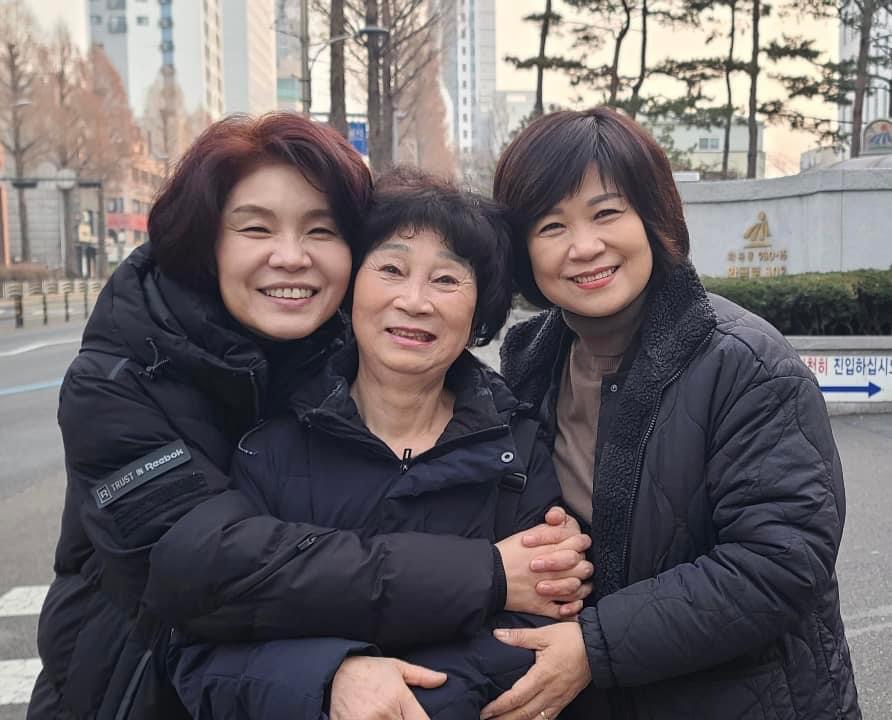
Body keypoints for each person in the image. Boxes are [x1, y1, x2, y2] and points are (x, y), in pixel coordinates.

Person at [29, 114, 591, 720]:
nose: (291, 257)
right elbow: (201, 568)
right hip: (123, 690)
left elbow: (538, 622)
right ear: (207, 239)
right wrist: (484, 576)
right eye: (255, 227)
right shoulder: (120, 383)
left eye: (320, 230)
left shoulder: (323, 361)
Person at [479, 107, 860, 720]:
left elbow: (780, 561)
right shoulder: (529, 367)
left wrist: (595, 647)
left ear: (652, 216)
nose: (585, 246)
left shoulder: (744, 362)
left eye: (607, 213)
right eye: (551, 226)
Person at [169, 169, 572, 720]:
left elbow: (541, 626)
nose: (415, 301)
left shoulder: (516, 451)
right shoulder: (269, 449)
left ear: (480, 311)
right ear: (350, 287)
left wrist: (410, 703)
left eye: (446, 280)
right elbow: (203, 650)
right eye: (391, 269)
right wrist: (330, 680)